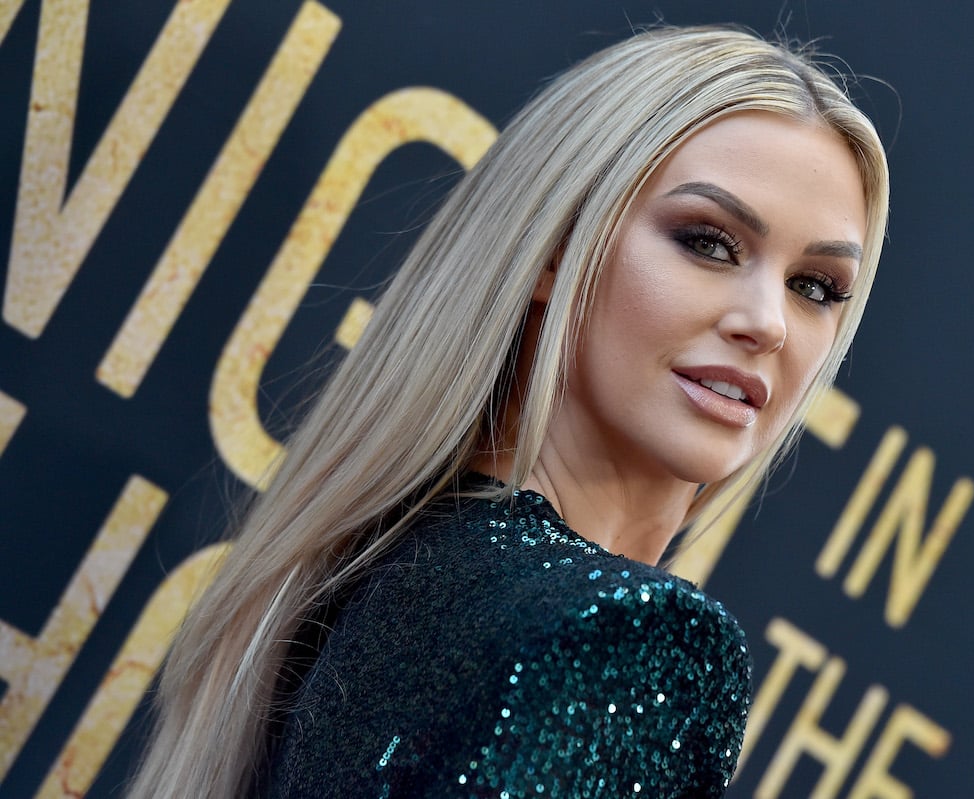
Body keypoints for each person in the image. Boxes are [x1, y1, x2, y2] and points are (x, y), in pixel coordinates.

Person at [127, 24, 888, 798]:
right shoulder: (630, 639)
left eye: (817, 286)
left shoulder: (365, 572)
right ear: (555, 247)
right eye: (708, 242)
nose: (769, 322)